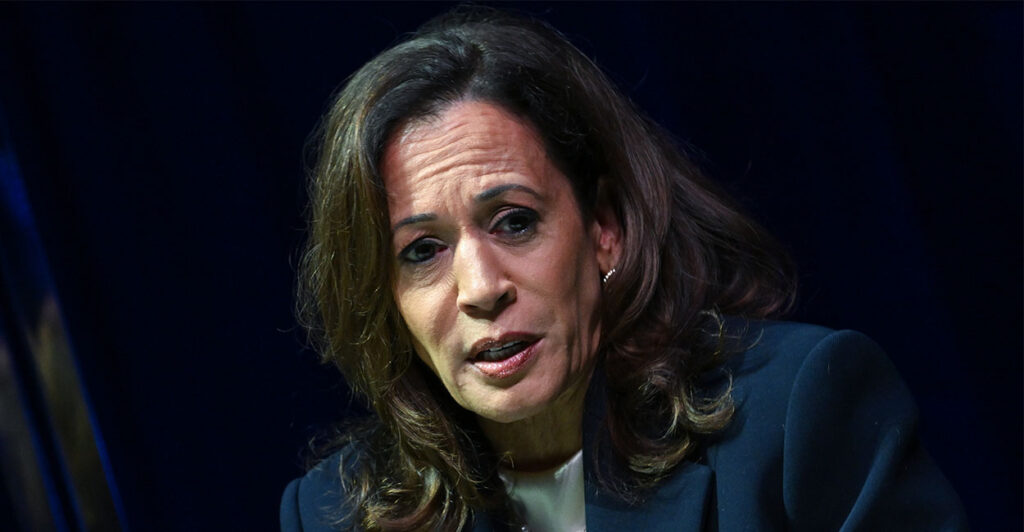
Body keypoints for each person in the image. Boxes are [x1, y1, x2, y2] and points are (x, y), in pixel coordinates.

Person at [281, 7, 967, 531]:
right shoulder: (329, 512)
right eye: (421, 252)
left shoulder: (798, 416)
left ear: (605, 229)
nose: (483, 288)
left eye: (515, 221)